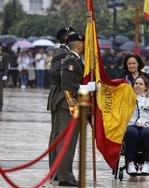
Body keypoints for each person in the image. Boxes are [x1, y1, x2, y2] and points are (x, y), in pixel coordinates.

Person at [57, 33, 96, 187]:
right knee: (68, 142)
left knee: (71, 143)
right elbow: (67, 85)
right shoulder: (70, 60)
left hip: (73, 105)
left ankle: (66, 175)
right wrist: (86, 88)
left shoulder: (77, 59)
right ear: (79, 45)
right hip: (68, 105)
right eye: (84, 44)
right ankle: (65, 176)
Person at [47, 27, 75, 181]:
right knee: (60, 135)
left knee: (58, 135)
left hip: (61, 96)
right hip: (61, 97)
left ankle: (56, 170)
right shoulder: (63, 53)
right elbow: (55, 73)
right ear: (66, 39)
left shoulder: (66, 53)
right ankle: (58, 171)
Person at [124, 75, 149, 174]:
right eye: (136, 83)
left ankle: (147, 163)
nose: (138, 85)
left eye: (141, 84)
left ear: (146, 87)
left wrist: (147, 123)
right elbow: (123, 116)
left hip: (147, 126)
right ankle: (130, 163)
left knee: (148, 133)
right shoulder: (127, 100)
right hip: (132, 125)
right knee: (130, 132)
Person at [0, 44, 9, 112]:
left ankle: (0, 105)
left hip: (1, 73)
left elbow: (6, 66)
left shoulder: (4, 55)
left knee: (0, 91)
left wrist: (5, 74)